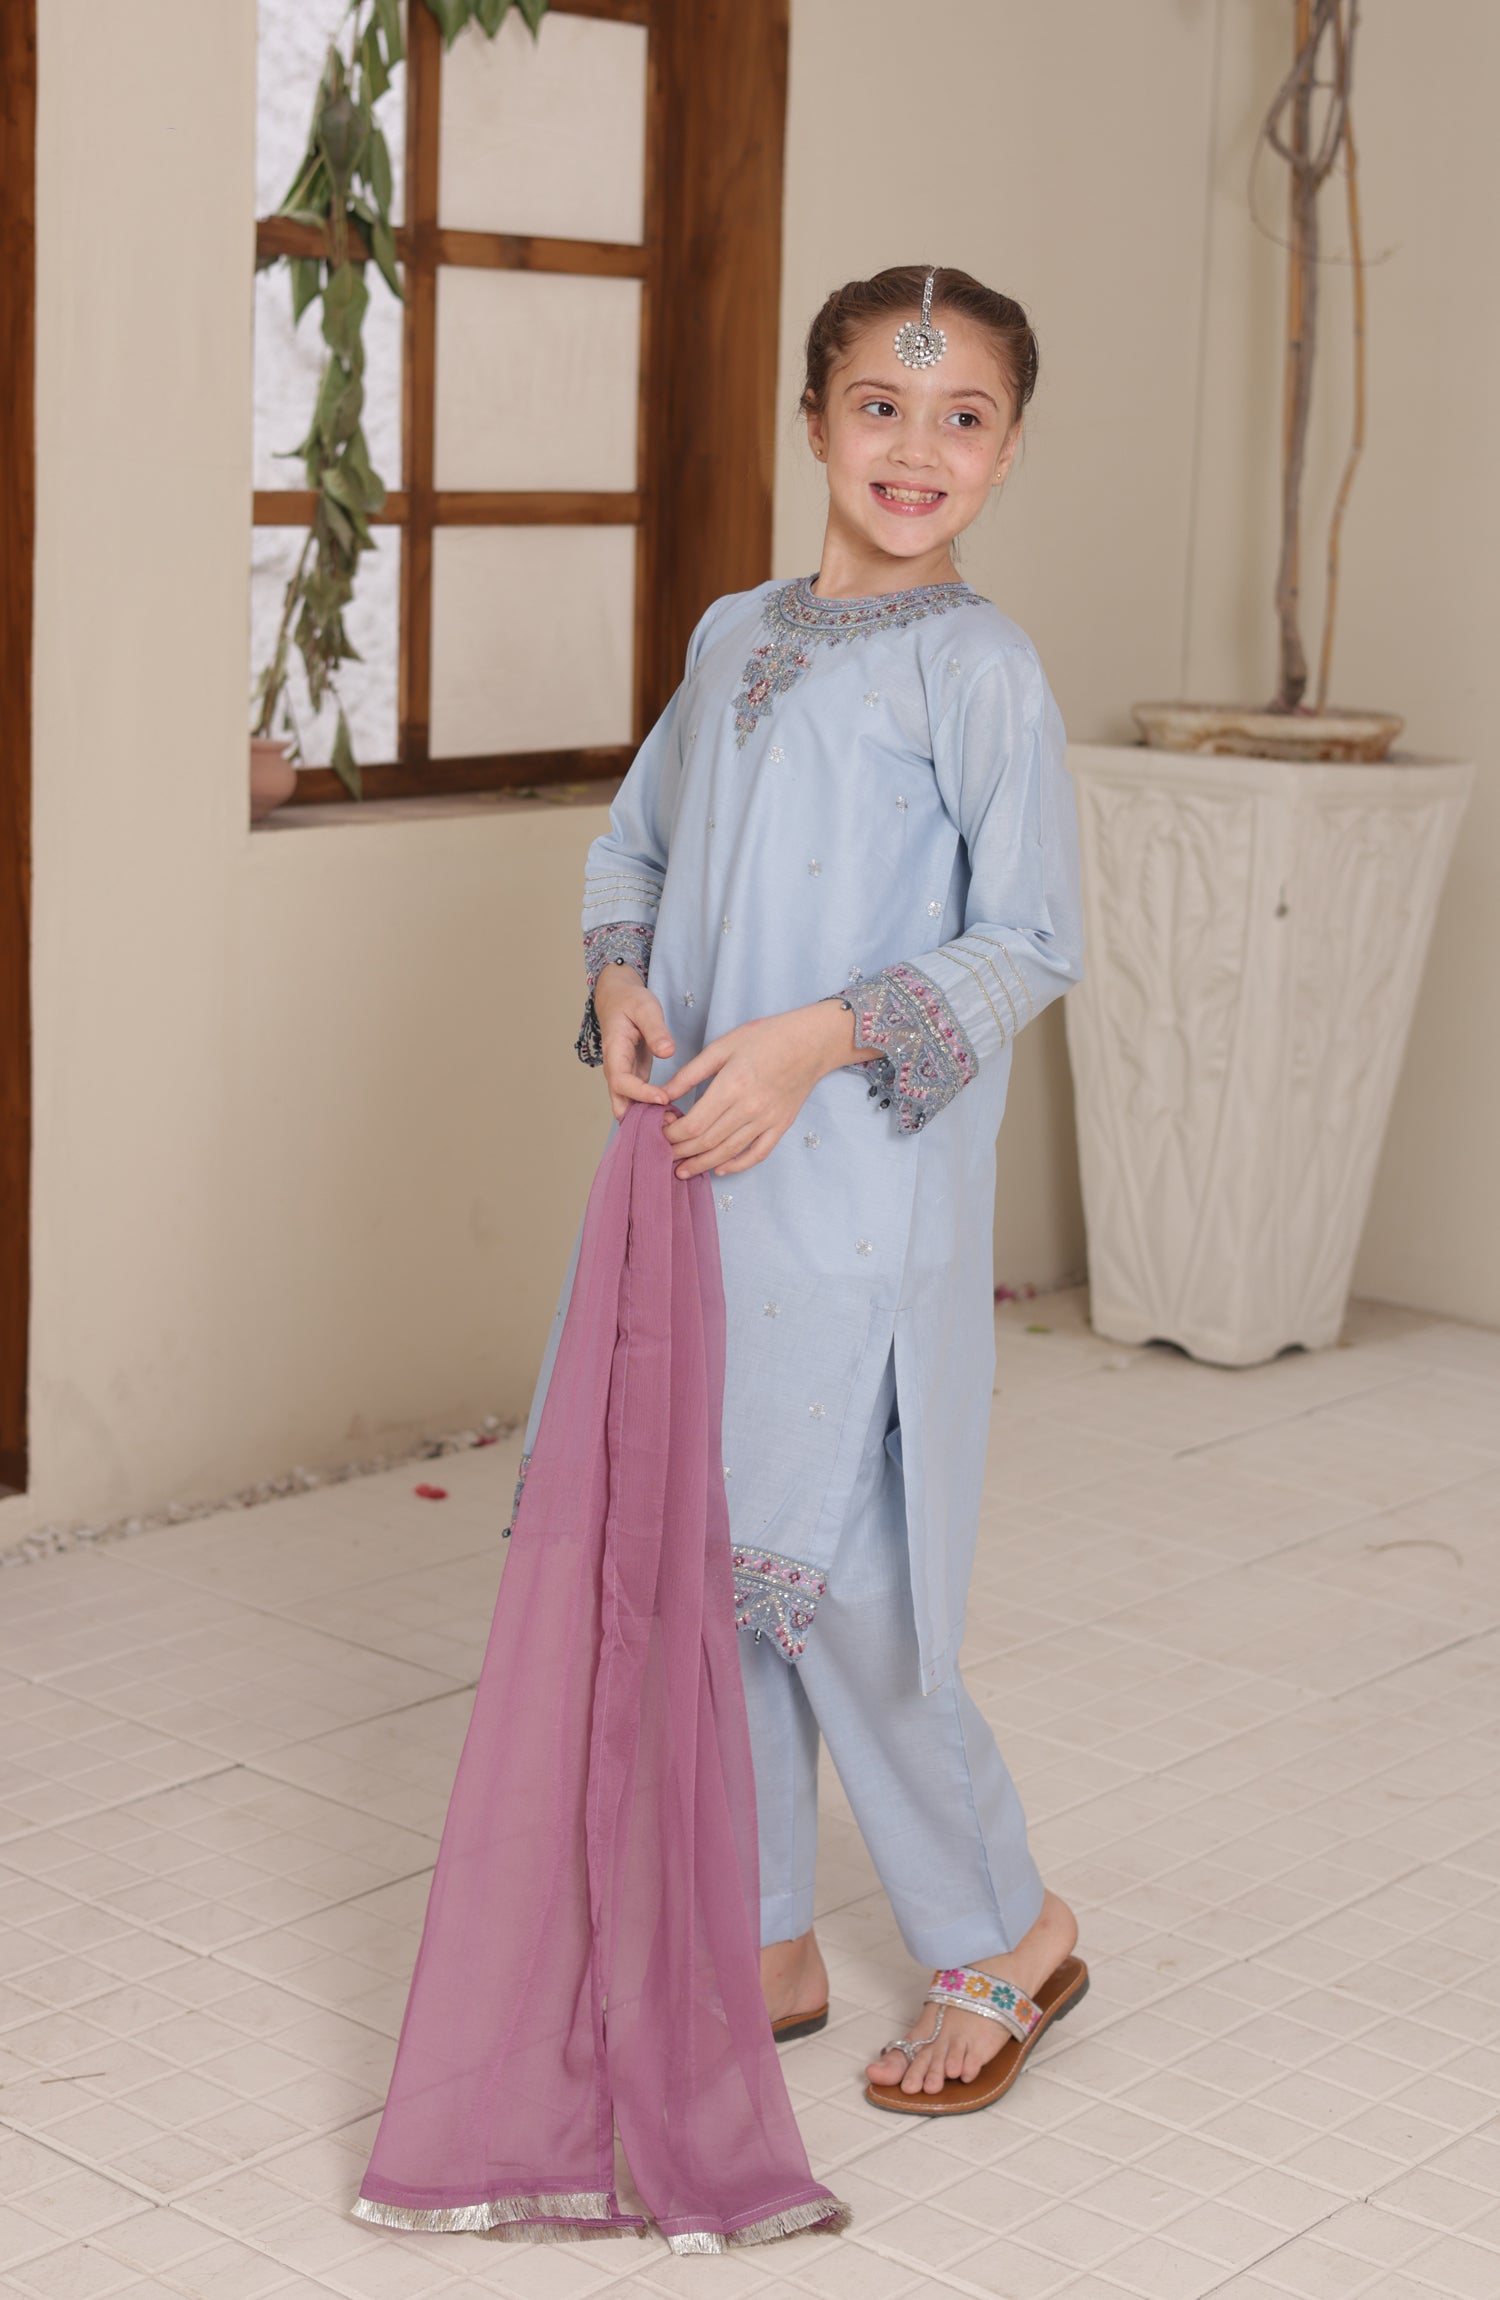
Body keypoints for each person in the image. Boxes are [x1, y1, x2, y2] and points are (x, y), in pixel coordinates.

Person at [521, 263, 1088, 2114]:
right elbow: (640, 841)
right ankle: (765, 1932)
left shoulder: (980, 669)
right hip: (701, 1167)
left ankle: (1007, 1929)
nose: (917, 446)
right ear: (817, 419)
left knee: (845, 1575)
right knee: (718, 1546)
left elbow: (1032, 939)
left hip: (859, 1179)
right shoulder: (731, 634)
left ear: (1008, 447)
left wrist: (813, 1042)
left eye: (963, 415)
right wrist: (625, 979)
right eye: (880, 404)